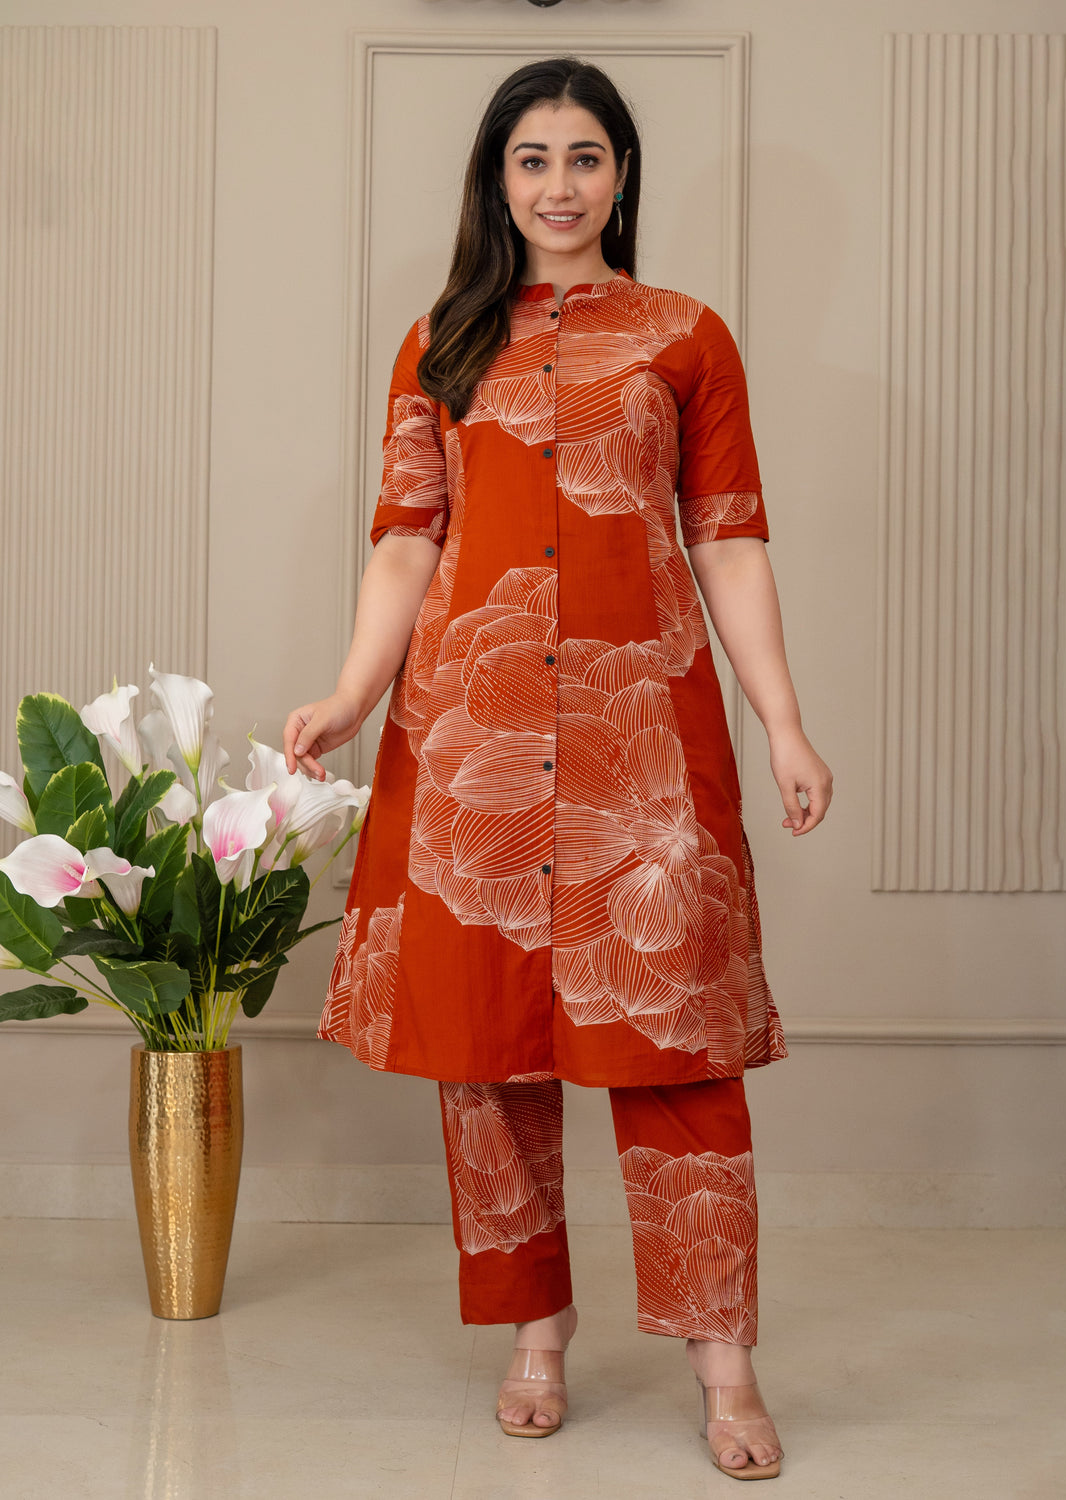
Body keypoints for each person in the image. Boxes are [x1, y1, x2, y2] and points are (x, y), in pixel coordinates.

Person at [283, 55, 832, 1482]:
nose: (559, 184)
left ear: (622, 174)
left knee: (679, 1052)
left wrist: (782, 718)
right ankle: (535, 1332)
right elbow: (406, 537)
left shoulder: (687, 338)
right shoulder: (440, 343)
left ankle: (726, 1366)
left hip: (641, 746)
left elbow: (728, 536)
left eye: (584, 156)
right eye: (532, 159)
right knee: (486, 1061)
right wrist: (351, 692)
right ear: (497, 179)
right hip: (467, 744)